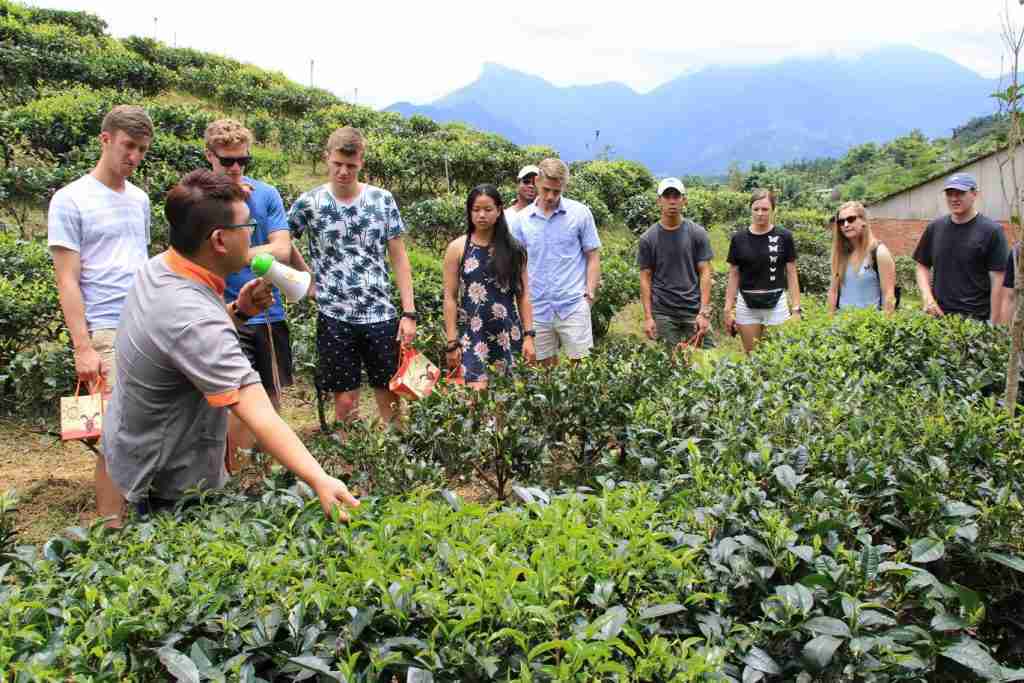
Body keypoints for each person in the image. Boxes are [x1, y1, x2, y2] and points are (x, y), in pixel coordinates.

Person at [102, 170, 359, 519]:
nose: (253, 237)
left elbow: (185, 343)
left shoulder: (163, 268)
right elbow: (255, 406)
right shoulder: (188, 313)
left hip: (133, 452)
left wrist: (240, 310)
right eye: (248, 228)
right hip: (167, 488)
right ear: (220, 240)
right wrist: (318, 478)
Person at [48, 104, 154, 527]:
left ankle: (147, 517)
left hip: (146, 323)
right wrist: (83, 346)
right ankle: (110, 529)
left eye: (143, 150)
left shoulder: (141, 200)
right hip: (107, 329)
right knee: (115, 434)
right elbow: (67, 280)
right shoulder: (70, 199)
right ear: (105, 139)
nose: (135, 157)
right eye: (129, 146)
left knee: (150, 425)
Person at [287, 126, 417, 432]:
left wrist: (408, 313)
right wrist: (307, 280)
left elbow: (399, 257)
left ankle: (393, 460)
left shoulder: (381, 200)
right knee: (344, 401)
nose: (343, 172)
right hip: (334, 315)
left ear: (361, 163)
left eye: (351, 166)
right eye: (337, 164)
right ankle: (350, 466)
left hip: (379, 314)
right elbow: (283, 240)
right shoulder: (310, 203)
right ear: (326, 159)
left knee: (390, 394)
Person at [203, 118, 309, 472]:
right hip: (220, 312)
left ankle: (262, 477)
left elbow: (282, 248)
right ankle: (235, 477)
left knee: (271, 398)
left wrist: (233, 256)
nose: (235, 168)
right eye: (227, 161)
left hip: (267, 315)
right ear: (210, 157)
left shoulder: (266, 194)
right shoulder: (198, 199)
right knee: (234, 400)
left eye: (242, 161)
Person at [442, 184, 536, 388]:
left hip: (507, 334)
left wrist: (529, 336)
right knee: (475, 397)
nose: (481, 215)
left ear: (499, 210)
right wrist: (451, 341)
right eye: (476, 210)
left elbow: (524, 295)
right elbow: (449, 297)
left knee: (504, 400)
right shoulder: (458, 248)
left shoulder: (515, 250)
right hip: (472, 333)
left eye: (488, 209)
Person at [509, 158, 601, 365]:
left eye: (556, 191)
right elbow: (516, 264)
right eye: (546, 190)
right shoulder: (521, 220)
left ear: (564, 187)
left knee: (582, 368)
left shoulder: (580, 213)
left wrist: (589, 294)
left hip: (573, 304)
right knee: (541, 372)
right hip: (537, 308)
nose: (550, 196)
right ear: (536, 182)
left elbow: (593, 255)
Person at [913, 173, 1009, 323]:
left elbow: (999, 279)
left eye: (960, 193)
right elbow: (922, 266)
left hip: (976, 320)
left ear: (975, 194)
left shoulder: (992, 231)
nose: (954, 198)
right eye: (950, 194)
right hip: (938, 317)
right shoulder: (935, 227)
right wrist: (928, 299)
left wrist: (995, 322)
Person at [637, 177, 715, 348]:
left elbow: (705, 272)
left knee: (707, 361)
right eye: (667, 196)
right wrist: (649, 317)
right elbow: (645, 278)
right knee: (669, 365)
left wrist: (703, 312)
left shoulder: (697, 233)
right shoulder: (648, 238)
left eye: (676, 196)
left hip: (693, 310)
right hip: (663, 312)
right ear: (659, 201)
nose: (672, 201)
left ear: (684, 200)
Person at [724, 189, 802, 354]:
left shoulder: (784, 236)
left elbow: (792, 273)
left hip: (777, 303)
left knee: (780, 356)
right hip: (746, 304)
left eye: (765, 209)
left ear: (773, 210)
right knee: (752, 356)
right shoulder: (739, 239)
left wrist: (796, 309)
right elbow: (733, 274)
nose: (760, 213)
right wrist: (728, 309)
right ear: (750, 210)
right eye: (756, 209)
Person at [827, 201, 897, 314]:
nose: (845, 225)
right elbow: (833, 292)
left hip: (869, 327)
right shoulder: (840, 253)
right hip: (840, 326)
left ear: (863, 220)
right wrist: (829, 322)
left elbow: (888, 296)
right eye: (841, 221)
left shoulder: (879, 252)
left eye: (851, 219)